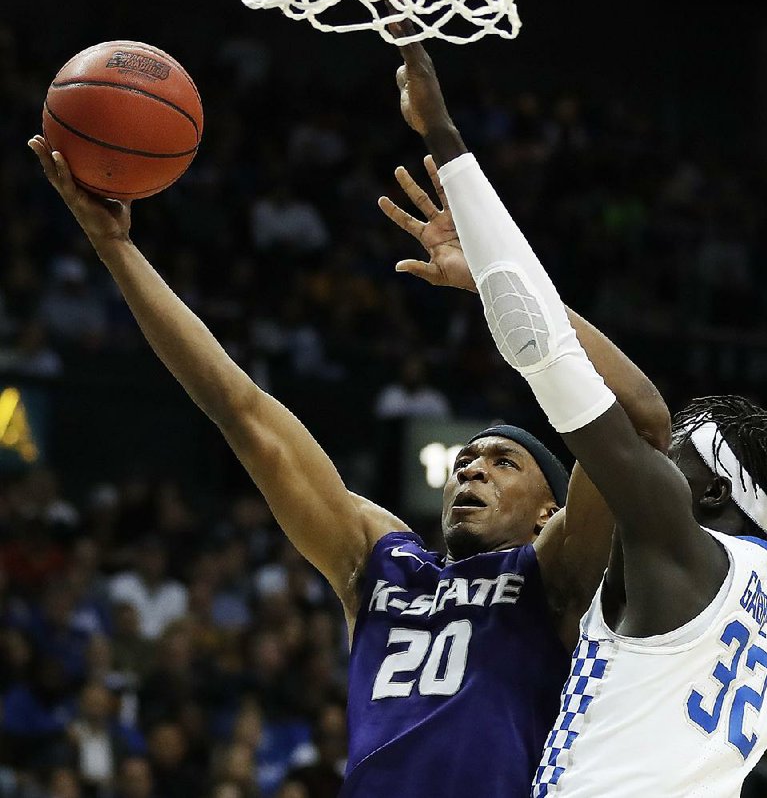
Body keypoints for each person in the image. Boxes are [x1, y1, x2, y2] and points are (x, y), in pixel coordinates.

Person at [27, 128, 669, 798]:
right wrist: (116, 248)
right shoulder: (382, 563)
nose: (471, 470)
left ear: (550, 508)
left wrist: (496, 286)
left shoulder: (554, 573)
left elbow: (640, 424)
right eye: (465, 460)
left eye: (504, 463)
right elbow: (241, 411)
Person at [390, 35, 767, 796]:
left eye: (677, 458)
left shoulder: (675, 540)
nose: (651, 465)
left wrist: (444, 137)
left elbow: (540, 348)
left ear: (711, 494)